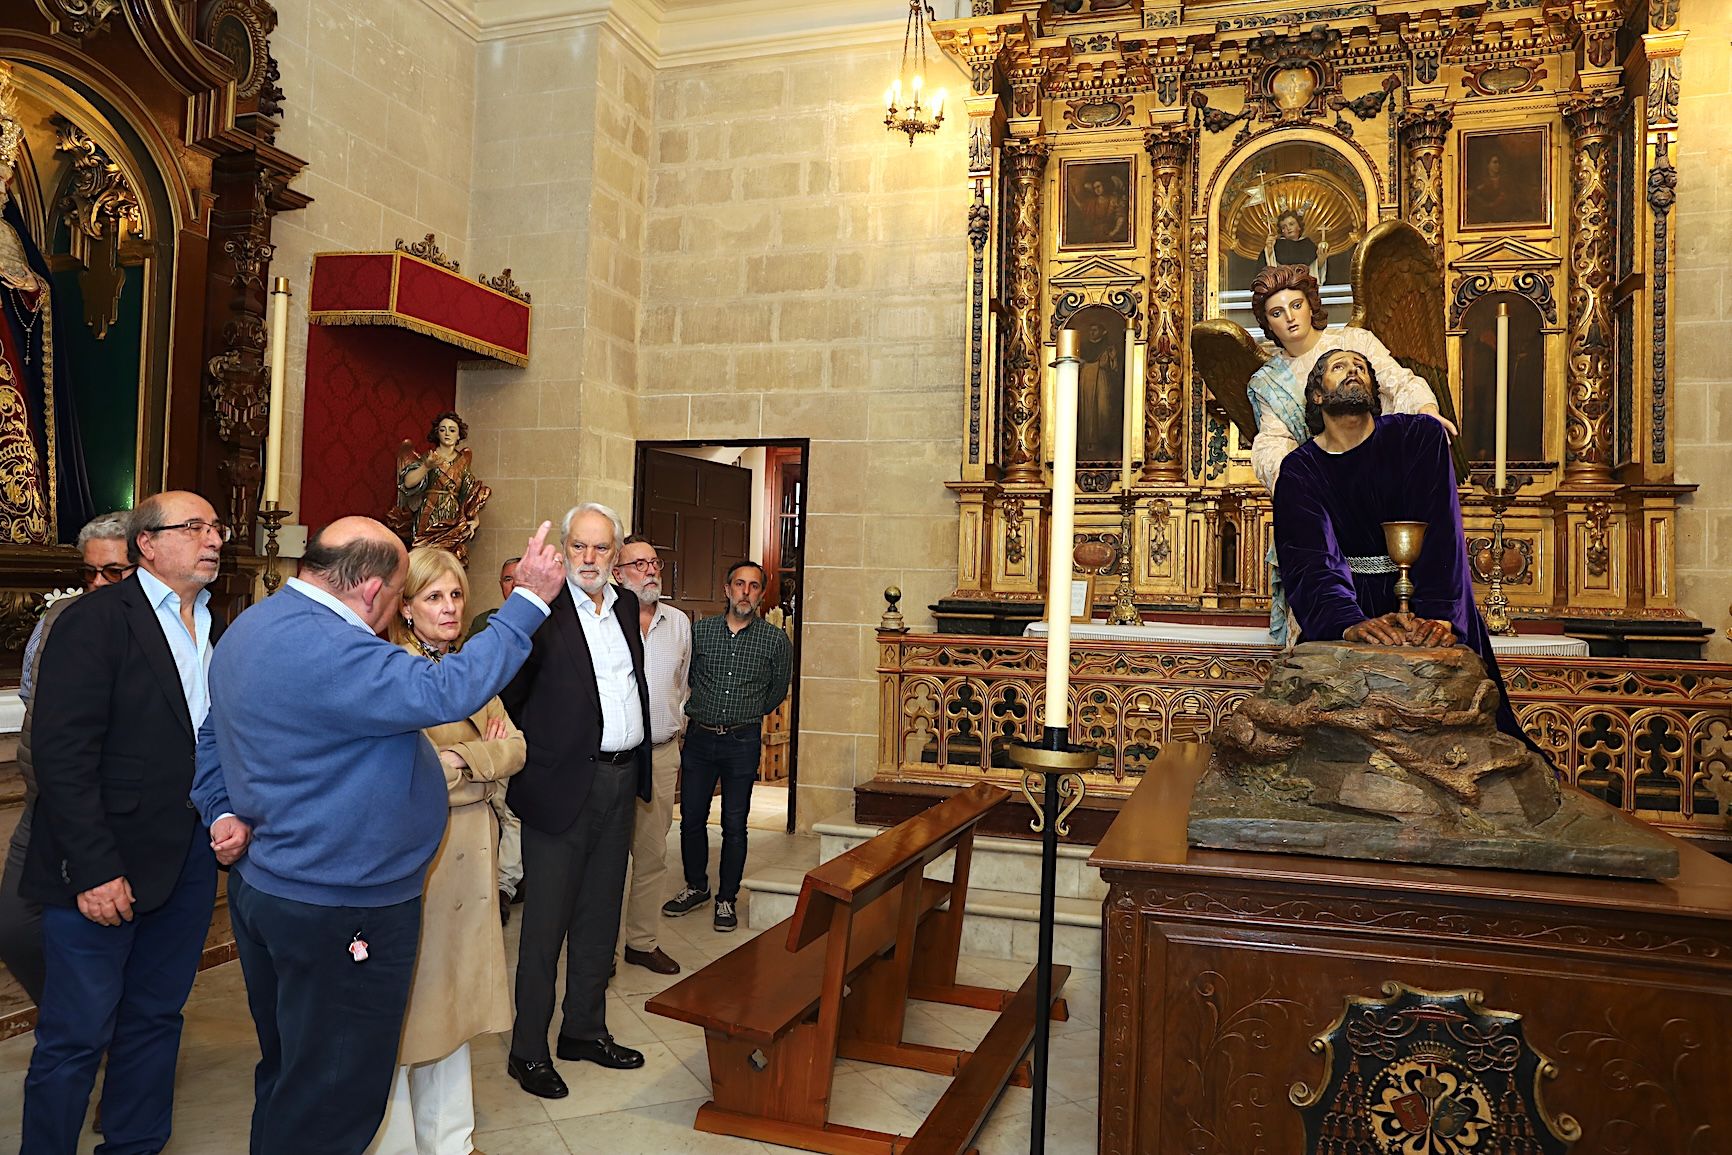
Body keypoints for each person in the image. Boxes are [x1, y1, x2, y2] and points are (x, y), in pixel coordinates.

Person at [191, 516, 565, 1155]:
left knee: (294, 1076)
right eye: (399, 597)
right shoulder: (333, 646)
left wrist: (220, 809)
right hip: (342, 906)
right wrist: (527, 599)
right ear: (372, 589)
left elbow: (210, 735)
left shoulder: (250, 625)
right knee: (336, 1099)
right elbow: (448, 688)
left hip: (271, 889)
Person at [18, 492, 232, 1155]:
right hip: (102, 867)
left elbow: (210, 741)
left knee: (155, 1019)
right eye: (194, 527)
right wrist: (94, 868)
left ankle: (136, 1144)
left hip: (189, 861)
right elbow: (62, 754)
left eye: (216, 526)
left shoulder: (217, 624)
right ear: (147, 543)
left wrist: (227, 812)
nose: (214, 537)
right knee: (76, 1033)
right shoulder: (94, 619)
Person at [1272, 348, 1528, 740]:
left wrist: (1440, 616)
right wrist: (1347, 625)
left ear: (1375, 391)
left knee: (1459, 727)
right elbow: (1308, 563)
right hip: (1349, 607)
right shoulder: (1300, 470)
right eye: (1338, 367)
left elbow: (1442, 533)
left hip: (1430, 602)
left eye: (1361, 367)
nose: (1353, 371)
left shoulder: (1417, 437)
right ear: (1317, 396)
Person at [366, 547, 526, 1155]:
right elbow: (413, 773)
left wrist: (466, 761)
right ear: (405, 608)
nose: (450, 608)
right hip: (423, 859)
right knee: (413, 1008)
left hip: (472, 856)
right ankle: (398, 1144)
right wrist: (474, 764)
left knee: (457, 1003)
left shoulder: (466, 670)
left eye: (457, 595)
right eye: (434, 596)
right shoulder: (394, 670)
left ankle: (453, 1139)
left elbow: (516, 748)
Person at [501, 502, 652, 1099]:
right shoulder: (540, 612)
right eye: (579, 547)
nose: (590, 559)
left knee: (599, 920)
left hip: (620, 783)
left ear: (616, 556)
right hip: (561, 789)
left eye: (601, 549)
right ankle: (528, 1050)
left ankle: (584, 1030)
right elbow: (505, 689)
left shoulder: (626, 608)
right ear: (564, 550)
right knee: (545, 929)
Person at [1244, 264, 1459, 643]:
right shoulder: (1267, 382)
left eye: (1296, 305)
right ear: (1267, 323)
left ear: (1312, 305)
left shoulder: (1355, 342)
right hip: (1323, 503)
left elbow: (1397, 383)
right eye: (1277, 313)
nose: (1290, 318)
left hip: (1378, 487)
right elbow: (1273, 440)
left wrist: (1425, 411)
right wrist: (1306, 489)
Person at [0, 511, 134, 1004]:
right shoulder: (58, 620)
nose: (98, 583)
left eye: (113, 572)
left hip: (117, 814)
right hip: (47, 808)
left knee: (111, 936)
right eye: (89, 572)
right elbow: (39, 705)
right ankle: (76, 1019)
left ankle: (102, 1031)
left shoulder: (158, 629)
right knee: (15, 928)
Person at [662, 561, 791, 934]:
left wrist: (744, 713)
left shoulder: (775, 641)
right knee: (691, 821)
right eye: (739, 584)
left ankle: (726, 898)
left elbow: (775, 692)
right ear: (727, 588)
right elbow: (683, 678)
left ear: (761, 594)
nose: (745, 592)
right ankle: (696, 887)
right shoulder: (699, 634)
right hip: (700, 739)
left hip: (742, 740)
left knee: (734, 824)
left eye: (753, 586)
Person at [612, 535, 691, 976]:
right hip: (610, 760)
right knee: (603, 858)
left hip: (660, 756)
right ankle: (598, 949)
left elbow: (681, 685)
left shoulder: (678, 623)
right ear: (618, 574)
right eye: (638, 564)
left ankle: (641, 942)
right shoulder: (603, 622)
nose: (651, 570)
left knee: (653, 855)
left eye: (655, 562)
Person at [465, 556, 525, 925]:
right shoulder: (484, 623)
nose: (514, 585)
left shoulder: (551, 622)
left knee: (518, 815)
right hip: (493, 729)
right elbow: (472, 674)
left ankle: (508, 882)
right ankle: (499, 888)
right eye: (507, 579)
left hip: (533, 733)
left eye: (521, 578)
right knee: (500, 808)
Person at [389, 411, 491, 567]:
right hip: (429, 513)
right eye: (443, 429)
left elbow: (468, 494)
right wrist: (426, 466)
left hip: (453, 517)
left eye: (452, 430)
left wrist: (474, 520)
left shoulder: (463, 461)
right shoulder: (429, 457)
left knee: (448, 563)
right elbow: (408, 483)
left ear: (459, 435)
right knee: (424, 559)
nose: (447, 433)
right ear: (437, 433)